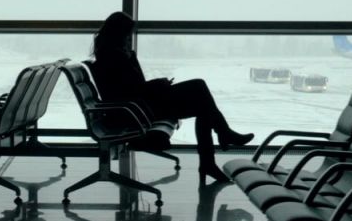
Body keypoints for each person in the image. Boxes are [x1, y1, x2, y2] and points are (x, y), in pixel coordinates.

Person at [89, 11, 254, 184]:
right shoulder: (114, 56)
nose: (129, 39)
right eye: (127, 35)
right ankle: (216, 147)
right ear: (119, 33)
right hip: (138, 111)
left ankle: (217, 148)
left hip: (140, 106)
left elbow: (133, 87)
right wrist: (157, 82)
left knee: (202, 103)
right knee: (199, 89)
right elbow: (134, 89)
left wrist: (150, 76)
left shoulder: (110, 53)